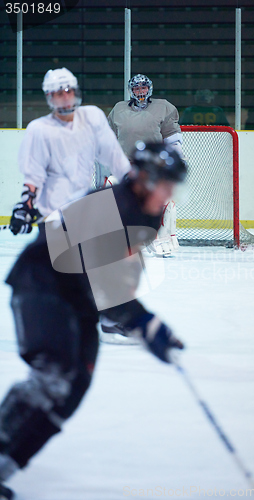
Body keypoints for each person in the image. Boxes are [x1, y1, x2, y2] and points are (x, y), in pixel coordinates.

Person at [0, 142, 187, 500]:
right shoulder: (113, 207)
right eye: (164, 184)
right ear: (143, 179)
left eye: (172, 186)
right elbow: (102, 280)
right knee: (54, 376)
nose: (169, 193)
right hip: (42, 285)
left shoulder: (145, 214)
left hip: (77, 297)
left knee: (76, 385)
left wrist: (144, 323)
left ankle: (7, 465)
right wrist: (145, 325)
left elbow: (117, 282)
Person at [9, 67, 131, 236]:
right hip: (52, 219)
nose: (66, 97)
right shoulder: (39, 130)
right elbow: (34, 176)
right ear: (50, 97)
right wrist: (25, 206)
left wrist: (134, 184)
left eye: (69, 91)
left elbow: (115, 158)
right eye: (59, 93)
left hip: (83, 216)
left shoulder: (92, 118)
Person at [108, 74, 184, 259]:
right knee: (110, 191)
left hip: (154, 167)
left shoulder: (163, 107)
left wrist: (176, 160)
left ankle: (163, 239)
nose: (140, 91)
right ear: (131, 90)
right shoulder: (119, 109)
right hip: (127, 166)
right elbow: (108, 138)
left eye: (143, 88)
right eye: (136, 88)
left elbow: (172, 138)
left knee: (166, 202)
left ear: (149, 88)